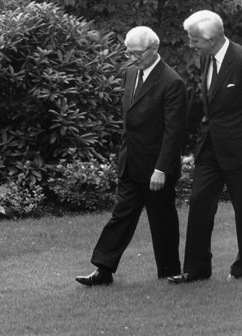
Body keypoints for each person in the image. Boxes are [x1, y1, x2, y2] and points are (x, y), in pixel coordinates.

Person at [76, 26, 188, 286]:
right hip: (130, 163)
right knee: (120, 217)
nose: (133, 58)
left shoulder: (172, 82)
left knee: (162, 221)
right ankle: (103, 271)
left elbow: (174, 133)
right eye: (130, 53)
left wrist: (161, 169)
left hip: (156, 167)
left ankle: (170, 271)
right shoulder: (129, 74)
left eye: (138, 53)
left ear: (154, 49)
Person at [168, 10, 242, 284]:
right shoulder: (207, 58)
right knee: (198, 201)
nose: (192, 46)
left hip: (241, 148)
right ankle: (196, 269)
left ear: (213, 39)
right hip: (210, 147)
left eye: (195, 41)